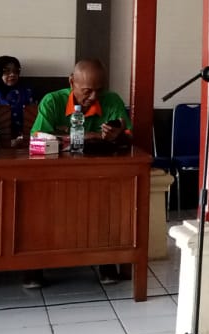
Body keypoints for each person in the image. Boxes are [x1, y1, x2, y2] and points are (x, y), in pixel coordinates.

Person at [29, 59, 132, 287]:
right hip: (55, 174)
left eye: (99, 90)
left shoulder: (112, 100)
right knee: (37, 205)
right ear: (71, 82)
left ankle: (105, 260)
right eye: (87, 91)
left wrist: (118, 135)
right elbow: (37, 137)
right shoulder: (53, 101)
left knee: (109, 204)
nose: (94, 97)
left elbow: (128, 136)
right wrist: (86, 136)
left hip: (98, 174)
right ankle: (34, 264)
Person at [0, 55, 35, 146]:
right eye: (6, 71)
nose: (12, 74)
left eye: (16, 71)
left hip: (23, 143)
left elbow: (33, 122)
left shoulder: (27, 93)